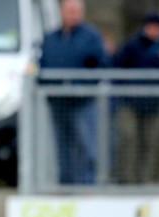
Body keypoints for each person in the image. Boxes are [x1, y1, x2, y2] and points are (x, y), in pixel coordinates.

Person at [39, 0, 108, 185]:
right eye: (70, 10)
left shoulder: (91, 37)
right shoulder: (51, 38)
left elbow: (101, 65)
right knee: (63, 147)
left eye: (76, 10)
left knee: (86, 146)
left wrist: (80, 84)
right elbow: (42, 65)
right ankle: (65, 185)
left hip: (82, 102)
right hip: (58, 103)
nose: (73, 14)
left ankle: (86, 185)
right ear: (62, 12)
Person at [112, 12, 159, 184]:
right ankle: (127, 179)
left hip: (155, 105)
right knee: (129, 138)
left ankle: (146, 179)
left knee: (151, 142)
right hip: (130, 103)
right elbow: (117, 69)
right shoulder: (131, 46)